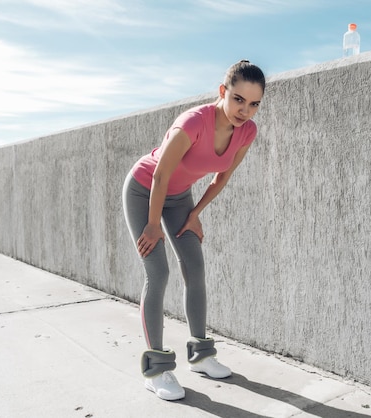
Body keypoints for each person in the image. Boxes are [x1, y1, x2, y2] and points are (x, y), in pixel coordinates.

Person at [122, 60, 266, 401]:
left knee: (195, 267)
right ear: (222, 92)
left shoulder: (247, 131)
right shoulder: (192, 123)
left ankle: (201, 355)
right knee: (157, 274)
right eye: (238, 99)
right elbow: (159, 175)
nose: (245, 110)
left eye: (254, 103)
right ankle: (156, 370)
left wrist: (195, 214)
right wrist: (153, 224)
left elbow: (222, 178)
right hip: (145, 191)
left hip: (179, 198)